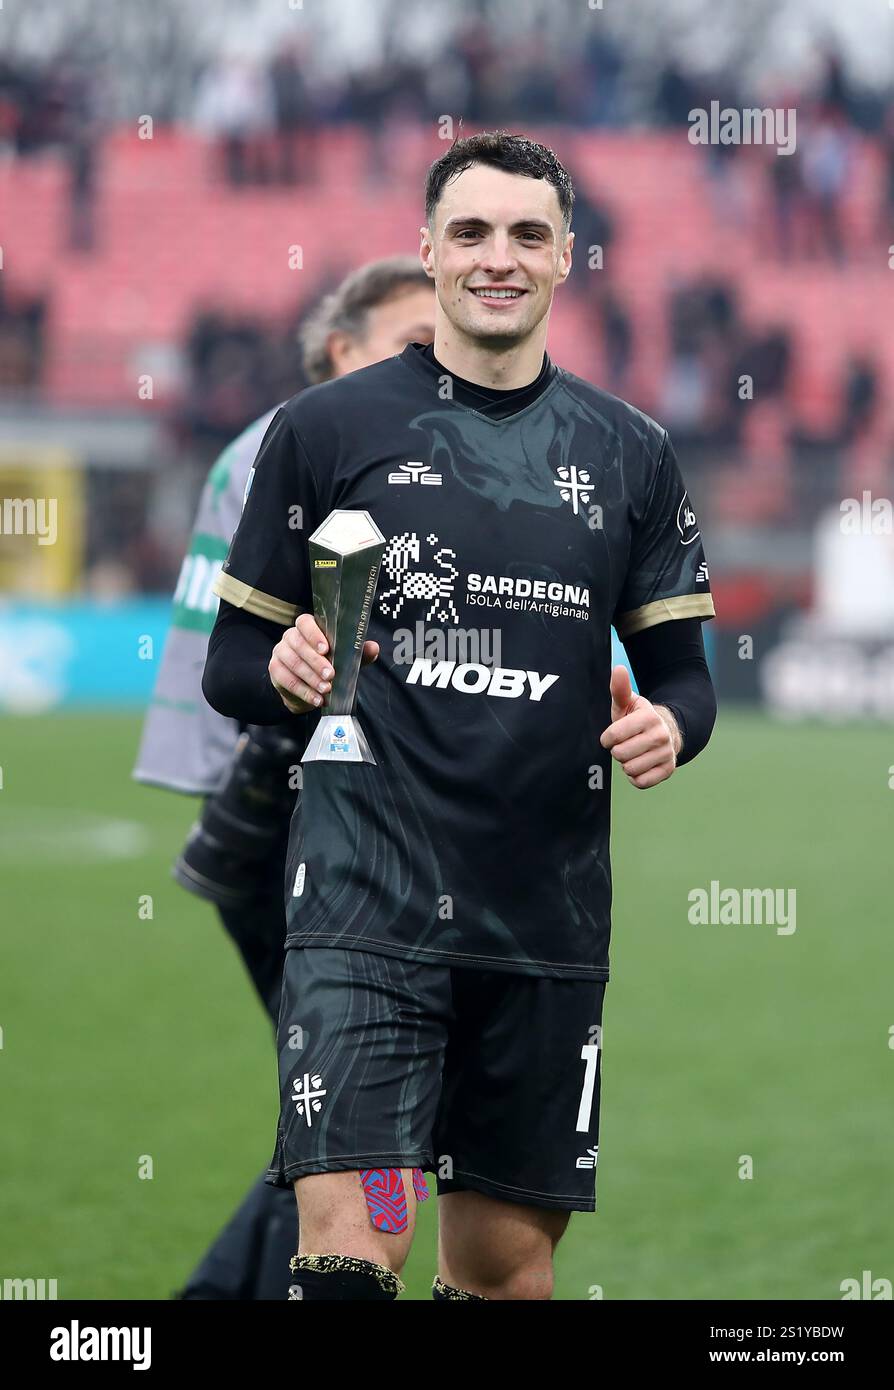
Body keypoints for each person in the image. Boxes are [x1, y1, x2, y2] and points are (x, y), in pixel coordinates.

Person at [203, 131, 717, 1302]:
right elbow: (230, 664)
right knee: (348, 1253)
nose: (499, 257)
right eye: (472, 232)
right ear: (427, 251)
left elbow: (686, 677)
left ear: (565, 258)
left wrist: (672, 727)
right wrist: (281, 665)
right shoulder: (324, 431)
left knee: (503, 1270)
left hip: (543, 925)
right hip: (361, 917)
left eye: (527, 234)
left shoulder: (631, 454)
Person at [133, 257, 436, 1298]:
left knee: (350, 1125)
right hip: (300, 830)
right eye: (410, 339)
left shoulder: (303, 445)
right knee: (369, 1135)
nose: (433, 359)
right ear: (339, 350)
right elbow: (235, 657)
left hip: (300, 827)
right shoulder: (293, 446)